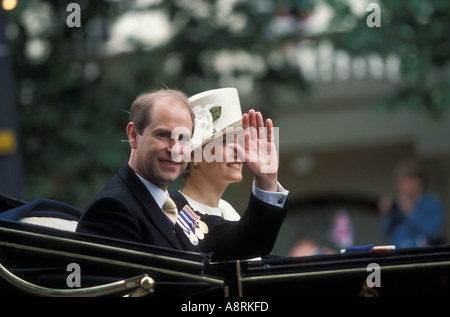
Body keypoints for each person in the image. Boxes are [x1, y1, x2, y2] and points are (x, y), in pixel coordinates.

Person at [76, 88, 290, 261]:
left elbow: (245, 242)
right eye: (163, 135)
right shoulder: (113, 208)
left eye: (184, 138)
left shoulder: (175, 204)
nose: (175, 148)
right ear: (134, 135)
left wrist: (266, 181)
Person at [180, 88, 244, 221]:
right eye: (226, 141)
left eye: (241, 141)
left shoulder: (231, 214)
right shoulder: (174, 211)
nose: (238, 149)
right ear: (193, 154)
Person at [379, 160, 445, 248]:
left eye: (405, 182)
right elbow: (387, 232)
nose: (401, 187)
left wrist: (411, 210)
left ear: (418, 182)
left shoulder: (432, 203)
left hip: (423, 254)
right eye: (400, 183)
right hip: (399, 254)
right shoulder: (397, 204)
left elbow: (432, 231)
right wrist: (386, 213)